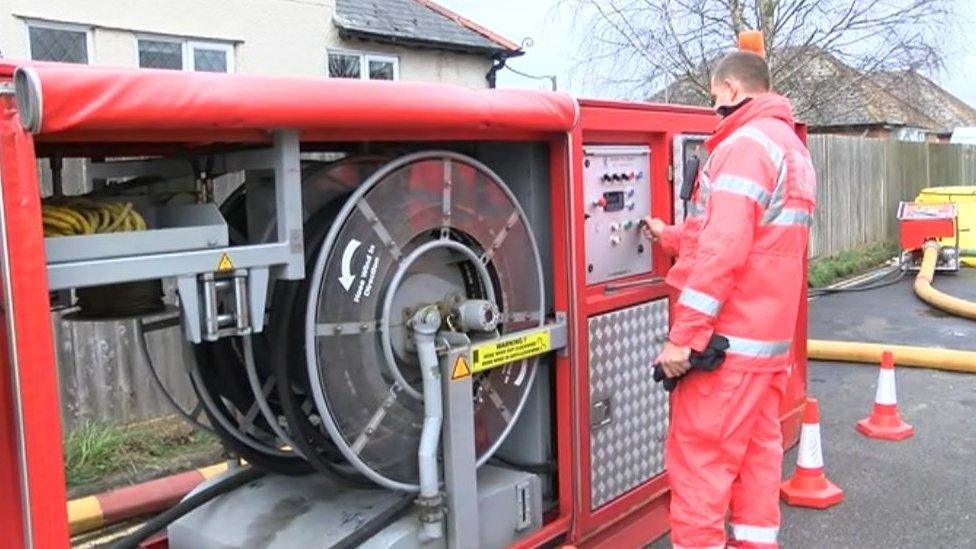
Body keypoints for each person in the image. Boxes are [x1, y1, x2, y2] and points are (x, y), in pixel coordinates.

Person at [642, 51, 817, 549]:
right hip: (767, 351)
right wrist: (670, 235)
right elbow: (748, 236)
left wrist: (684, 338)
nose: (713, 104)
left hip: (726, 350)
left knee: (700, 470)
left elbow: (724, 252)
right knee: (757, 466)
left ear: (734, 90)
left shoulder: (743, 146)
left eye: (715, 94)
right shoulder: (790, 149)